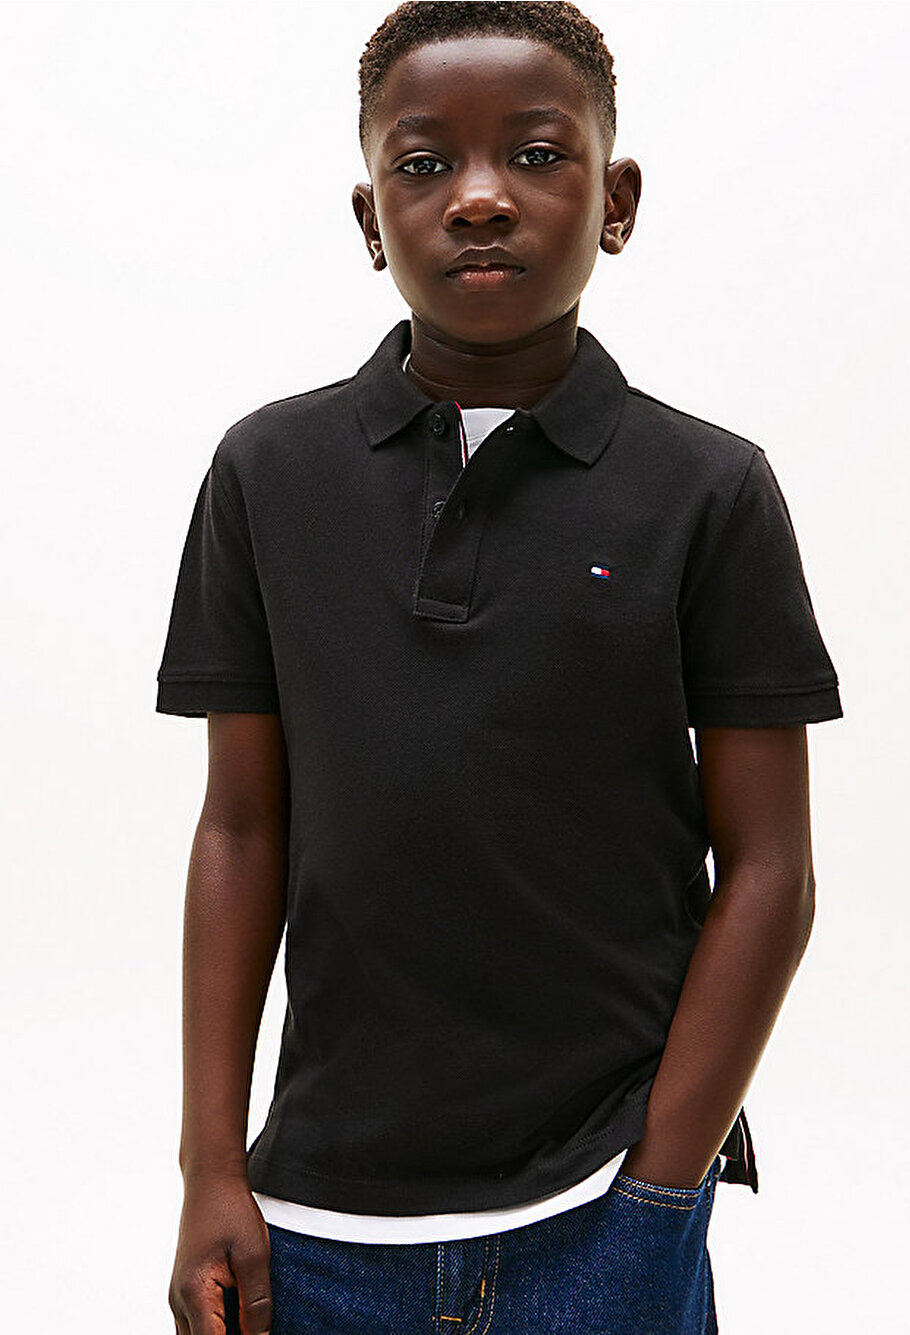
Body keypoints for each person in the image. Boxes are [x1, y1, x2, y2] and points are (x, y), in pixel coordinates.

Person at [157, 2, 843, 1332]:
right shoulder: (266, 476)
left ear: (616, 201)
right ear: (372, 220)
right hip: (318, 1222)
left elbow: (772, 868)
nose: (479, 198)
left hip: (603, 1203)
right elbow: (238, 827)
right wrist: (209, 1171)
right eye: (424, 165)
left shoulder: (709, 491)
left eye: (536, 155)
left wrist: (660, 1185)